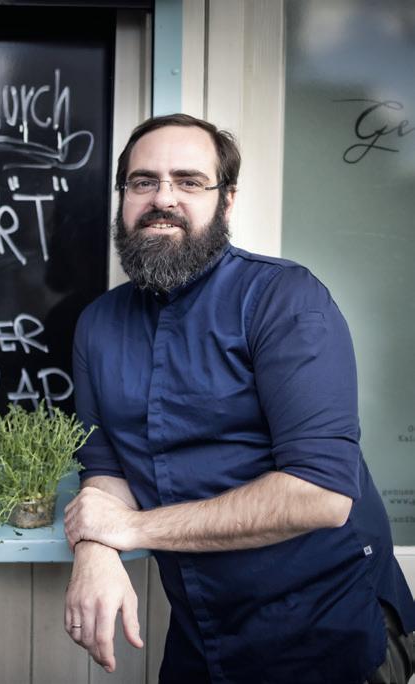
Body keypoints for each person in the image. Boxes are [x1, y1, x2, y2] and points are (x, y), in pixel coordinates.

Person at [63, 114, 415, 683]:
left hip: (329, 628)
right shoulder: (97, 325)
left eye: (189, 181)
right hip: (201, 634)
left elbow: (320, 494)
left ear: (226, 201)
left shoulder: (285, 299)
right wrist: (96, 550)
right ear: (123, 198)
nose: (163, 198)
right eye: (143, 181)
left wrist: (133, 529)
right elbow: (105, 470)